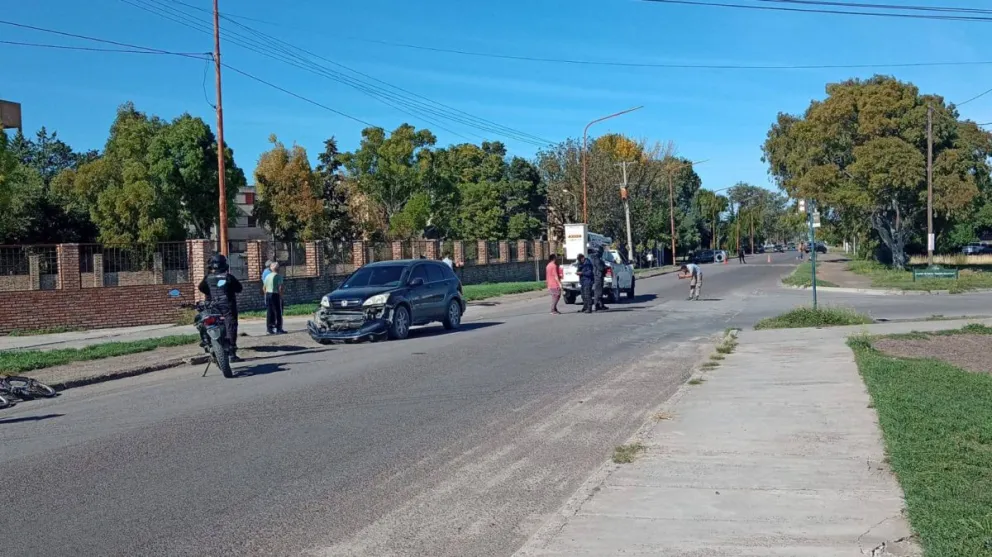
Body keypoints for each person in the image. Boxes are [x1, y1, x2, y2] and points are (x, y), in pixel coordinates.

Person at [198, 253, 244, 361]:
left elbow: (201, 288)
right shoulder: (228, 277)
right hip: (227, 305)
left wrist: (211, 294)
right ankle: (231, 352)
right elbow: (239, 288)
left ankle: (207, 342)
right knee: (231, 326)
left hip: (212, 305)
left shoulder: (208, 278)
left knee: (205, 321)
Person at [263, 261, 286, 334]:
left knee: (270, 311)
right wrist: (281, 296)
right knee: (278, 312)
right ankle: (279, 328)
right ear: (278, 268)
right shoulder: (278, 276)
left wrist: (266, 294)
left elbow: (264, 288)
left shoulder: (267, 276)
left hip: (268, 294)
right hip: (275, 294)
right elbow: (280, 288)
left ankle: (269, 329)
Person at [590, 246, 608, 311]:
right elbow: (601, 268)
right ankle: (597, 305)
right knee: (598, 291)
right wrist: (605, 267)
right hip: (598, 276)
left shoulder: (594, 258)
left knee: (599, 291)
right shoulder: (596, 258)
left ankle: (601, 304)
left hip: (597, 276)